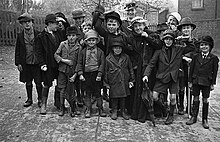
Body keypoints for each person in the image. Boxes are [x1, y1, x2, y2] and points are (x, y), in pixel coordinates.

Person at [143, 29, 195, 125]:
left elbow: (191, 47)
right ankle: (164, 108)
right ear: (163, 40)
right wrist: (146, 75)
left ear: (173, 40)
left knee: (173, 98)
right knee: (154, 97)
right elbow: (151, 64)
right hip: (162, 77)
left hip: (174, 77)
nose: (168, 41)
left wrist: (186, 39)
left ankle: (170, 115)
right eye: (166, 39)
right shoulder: (159, 51)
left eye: (170, 39)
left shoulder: (179, 49)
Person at [126, 16, 162, 122]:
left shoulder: (152, 34)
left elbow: (159, 45)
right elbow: (130, 51)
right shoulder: (131, 37)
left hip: (150, 67)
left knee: (148, 89)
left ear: (144, 25)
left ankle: (151, 112)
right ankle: (137, 113)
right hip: (137, 67)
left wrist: (147, 37)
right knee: (138, 90)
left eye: (139, 25)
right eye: (135, 26)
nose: (138, 28)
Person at [186, 35, 219, 129]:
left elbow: (215, 71)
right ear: (199, 47)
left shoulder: (213, 58)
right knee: (195, 98)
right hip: (196, 80)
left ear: (210, 46)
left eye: (206, 45)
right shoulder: (196, 57)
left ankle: (205, 119)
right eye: (202, 45)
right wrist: (190, 81)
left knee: (205, 99)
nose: (204, 47)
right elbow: (191, 70)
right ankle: (194, 116)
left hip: (206, 82)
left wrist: (213, 83)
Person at [36, 14, 62, 114]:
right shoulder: (41, 36)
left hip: (58, 64)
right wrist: (42, 64)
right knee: (47, 84)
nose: (57, 25)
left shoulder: (58, 33)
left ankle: (58, 102)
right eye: (55, 23)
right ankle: (44, 104)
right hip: (48, 65)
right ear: (49, 24)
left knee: (59, 84)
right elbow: (38, 52)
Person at [77, 29, 106, 118]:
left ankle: (100, 108)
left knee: (97, 93)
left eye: (93, 40)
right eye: (89, 40)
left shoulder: (100, 51)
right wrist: (80, 73)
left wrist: (100, 74)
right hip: (86, 74)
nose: (91, 42)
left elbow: (102, 64)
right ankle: (88, 109)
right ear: (86, 41)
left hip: (96, 74)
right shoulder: (83, 52)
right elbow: (79, 63)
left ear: (96, 41)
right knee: (87, 93)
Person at [15, 13, 42, 108]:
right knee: (28, 82)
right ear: (22, 24)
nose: (27, 24)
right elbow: (17, 50)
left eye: (29, 22)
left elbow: (42, 49)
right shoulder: (20, 36)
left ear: (32, 23)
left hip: (36, 62)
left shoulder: (39, 34)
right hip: (26, 63)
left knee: (38, 82)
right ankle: (29, 99)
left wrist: (42, 62)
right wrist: (18, 63)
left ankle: (40, 99)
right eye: (24, 22)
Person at [54, 26, 82, 117]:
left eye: (73, 35)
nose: (71, 38)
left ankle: (73, 107)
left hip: (72, 72)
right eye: (69, 35)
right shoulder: (63, 44)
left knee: (71, 91)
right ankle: (62, 107)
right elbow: (56, 55)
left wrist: (75, 74)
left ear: (77, 36)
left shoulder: (79, 47)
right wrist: (63, 60)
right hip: (62, 70)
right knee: (62, 89)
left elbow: (79, 62)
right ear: (66, 36)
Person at [104, 38, 135, 120]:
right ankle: (114, 110)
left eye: (119, 48)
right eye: (115, 48)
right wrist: (106, 84)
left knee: (123, 97)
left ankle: (123, 110)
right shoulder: (108, 59)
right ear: (112, 49)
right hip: (113, 80)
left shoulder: (126, 57)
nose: (117, 50)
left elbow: (130, 68)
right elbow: (105, 71)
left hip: (124, 79)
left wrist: (132, 79)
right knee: (114, 97)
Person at [176, 17, 198, 115]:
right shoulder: (178, 41)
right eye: (184, 28)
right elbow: (176, 53)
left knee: (190, 88)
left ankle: (190, 106)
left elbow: (198, 53)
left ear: (191, 29)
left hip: (192, 68)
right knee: (181, 87)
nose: (186, 30)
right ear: (181, 30)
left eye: (188, 28)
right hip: (181, 67)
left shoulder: (196, 41)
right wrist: (183, 57)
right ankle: (181, 105)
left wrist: (191, 58)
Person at [54, 12, 71, 110]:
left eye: (61, 22)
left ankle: (70, 102)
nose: (60, 24)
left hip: (67, 62)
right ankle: (58, 102)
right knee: (59, 84)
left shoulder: (67, 33)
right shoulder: (55, 33)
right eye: (57, 22)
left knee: (68, 84)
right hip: (57, 61)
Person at [72, 9, 86, 107]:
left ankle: (84, 95)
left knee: (84, 75)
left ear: (83, 18)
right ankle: (78, 96)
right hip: (76, 54)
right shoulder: (72, 29)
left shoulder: (87, 28)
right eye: (76, 19)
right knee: (77, 75)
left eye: (80, 18)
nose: (78, 20)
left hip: (86, 54)